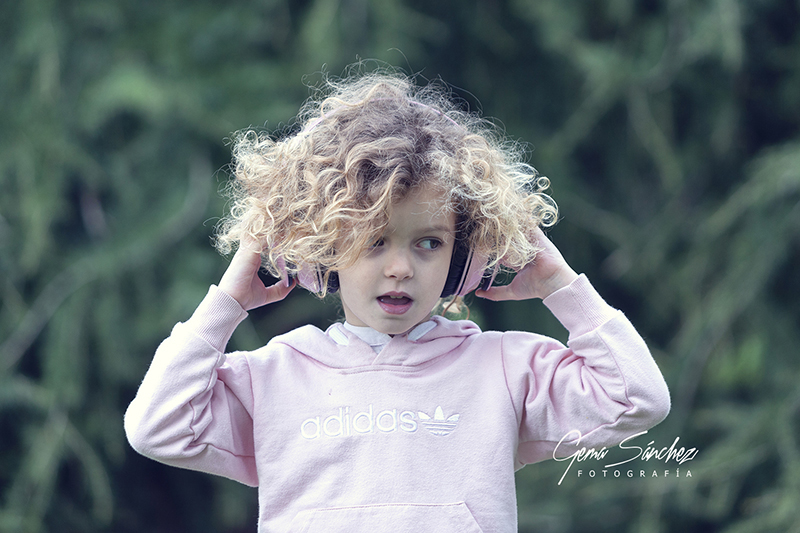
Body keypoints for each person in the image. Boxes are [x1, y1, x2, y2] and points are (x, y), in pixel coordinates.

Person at [125, 70, 670, 533]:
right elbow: (158, 427)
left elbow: (635, 399)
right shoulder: (273, 378)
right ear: (322, 247)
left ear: (465, 256)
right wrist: (227, 303)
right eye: (373, 240)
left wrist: (560, 285)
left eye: (429, 243)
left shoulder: (505, 369)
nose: (401, 268)